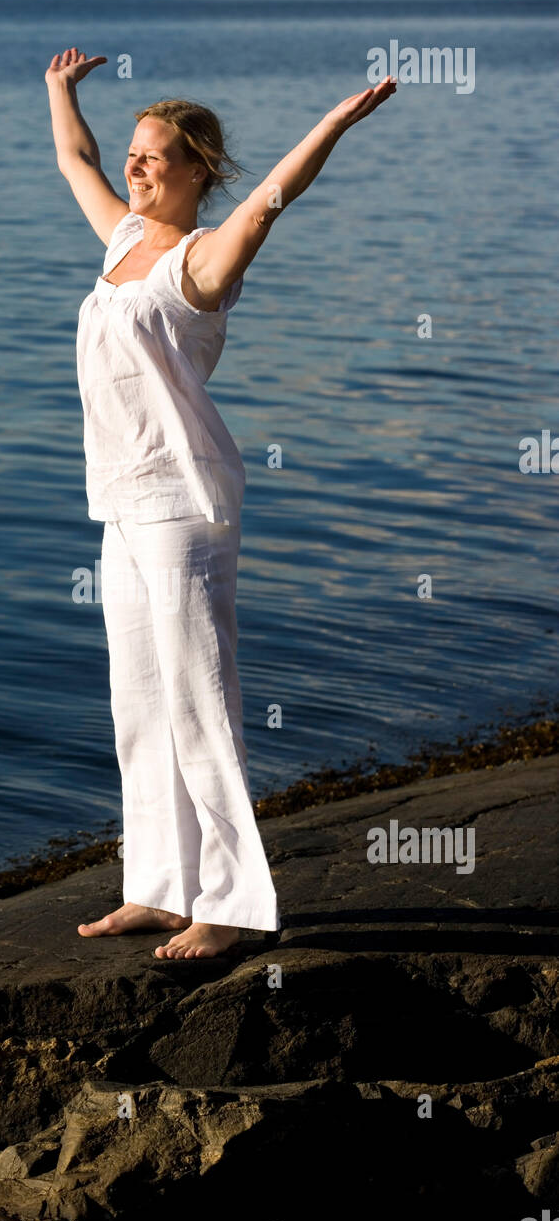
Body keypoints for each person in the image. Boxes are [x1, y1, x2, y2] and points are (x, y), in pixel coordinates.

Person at [46, 47, 396, 960]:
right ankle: (161, 887)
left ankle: (235, 903)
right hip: (121, 506)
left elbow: (274, 195)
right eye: (134, 152)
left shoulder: (199, 263)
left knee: (200, 703)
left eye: (153, 155)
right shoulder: (124, 240)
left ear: (196, 167)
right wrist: (59, 91)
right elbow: (75, 161)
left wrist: (330, 124)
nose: (134, 165)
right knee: (141, 703)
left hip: (184, 506)